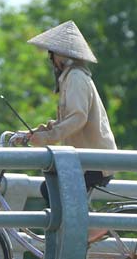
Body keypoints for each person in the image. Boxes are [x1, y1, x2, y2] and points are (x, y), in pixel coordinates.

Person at [8, 21, 118, 202]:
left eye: (51, 55)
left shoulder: (75, 77)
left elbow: (77, 118)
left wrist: (48, 137)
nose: (51, 60)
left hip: (95, 163)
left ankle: (89, 230)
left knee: (51, 190)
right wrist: (36, 133)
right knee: (51, 187)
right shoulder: (71, 78)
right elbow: (65, 121)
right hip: (88, 161)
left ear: (60, 56)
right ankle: (83, 229)